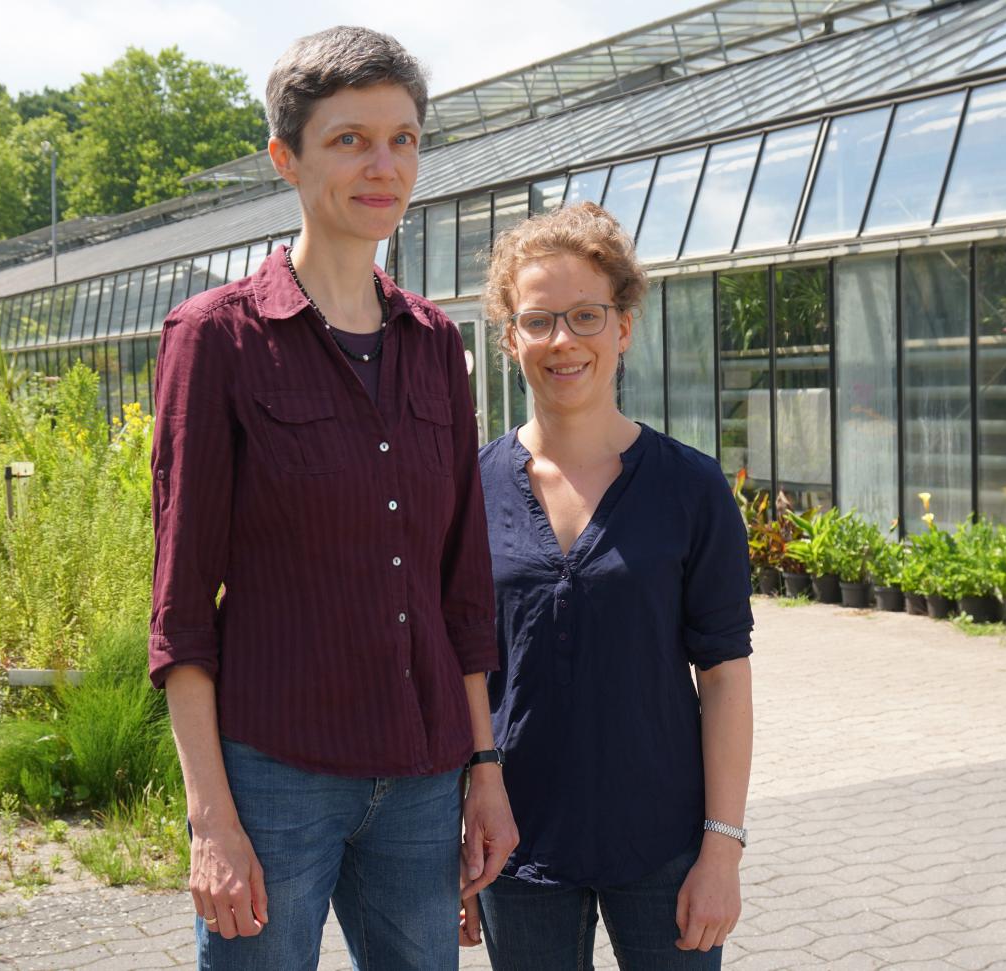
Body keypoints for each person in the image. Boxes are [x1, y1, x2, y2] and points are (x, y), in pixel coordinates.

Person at [148, 26, 517, 971]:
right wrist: (212, 822)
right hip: (277, 779)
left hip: (427, 773)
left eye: (402, 139)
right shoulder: (218, 340)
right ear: (287, 157)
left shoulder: (435, 343)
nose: (382, 164)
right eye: (350, 138)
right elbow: (182, 611)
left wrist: (484, 769)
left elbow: (461, 590)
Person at [461, 202, 755, 968]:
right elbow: (455, 664)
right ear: (509, 338)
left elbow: (723, 673)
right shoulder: (468, 490)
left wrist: (722, 849)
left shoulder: (690, 488)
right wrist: (458, 819)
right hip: (516, 844)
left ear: (623, 327)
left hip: (666, 843)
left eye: (587, 315)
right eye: (539, 320)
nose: (564, 340)